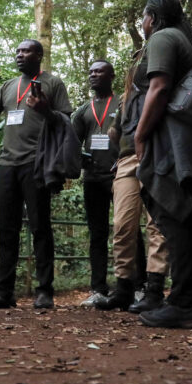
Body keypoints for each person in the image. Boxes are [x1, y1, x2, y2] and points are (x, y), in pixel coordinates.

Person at [133, 0, 192, 329]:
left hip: (172, 148)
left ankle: (184, 303)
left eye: (143, 17)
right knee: (188, 221)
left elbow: (159, 87)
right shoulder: (183, 39)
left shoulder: (163, 38)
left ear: (152, 17)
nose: (142, 24)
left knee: (177, 219)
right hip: (185, 146)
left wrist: (139, 136)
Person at [0, 40, 72, 310]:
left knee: (40, 227)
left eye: (26, 51)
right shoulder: (8, 86)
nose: (20, 55)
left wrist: (45, 111)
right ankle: (3, 293)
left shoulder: (53, 84)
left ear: (39, 55)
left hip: (37, 163)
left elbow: (66, 123)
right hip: (7, 165)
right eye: (17, 51)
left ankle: (44, 291)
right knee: (7, 230)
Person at [96, 53, 171, 314]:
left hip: (156, 155)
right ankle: (124, 287)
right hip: (127, 160)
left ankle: (154, 288)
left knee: (155, 224)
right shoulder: (127, 99)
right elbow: (115, 131)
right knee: (122, 225)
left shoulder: (162, 91)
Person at [71, 60, 120, 307]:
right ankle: (98, 289)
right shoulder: (83, 110)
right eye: (91, 71)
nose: (94, 75)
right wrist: (79, 161)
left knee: (127, 231)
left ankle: (137, 286)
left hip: (119, 177)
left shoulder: (122, 103)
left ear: (111, 76)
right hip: (92, 179)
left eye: (99, 71)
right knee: (97, 234)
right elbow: (71, 143)